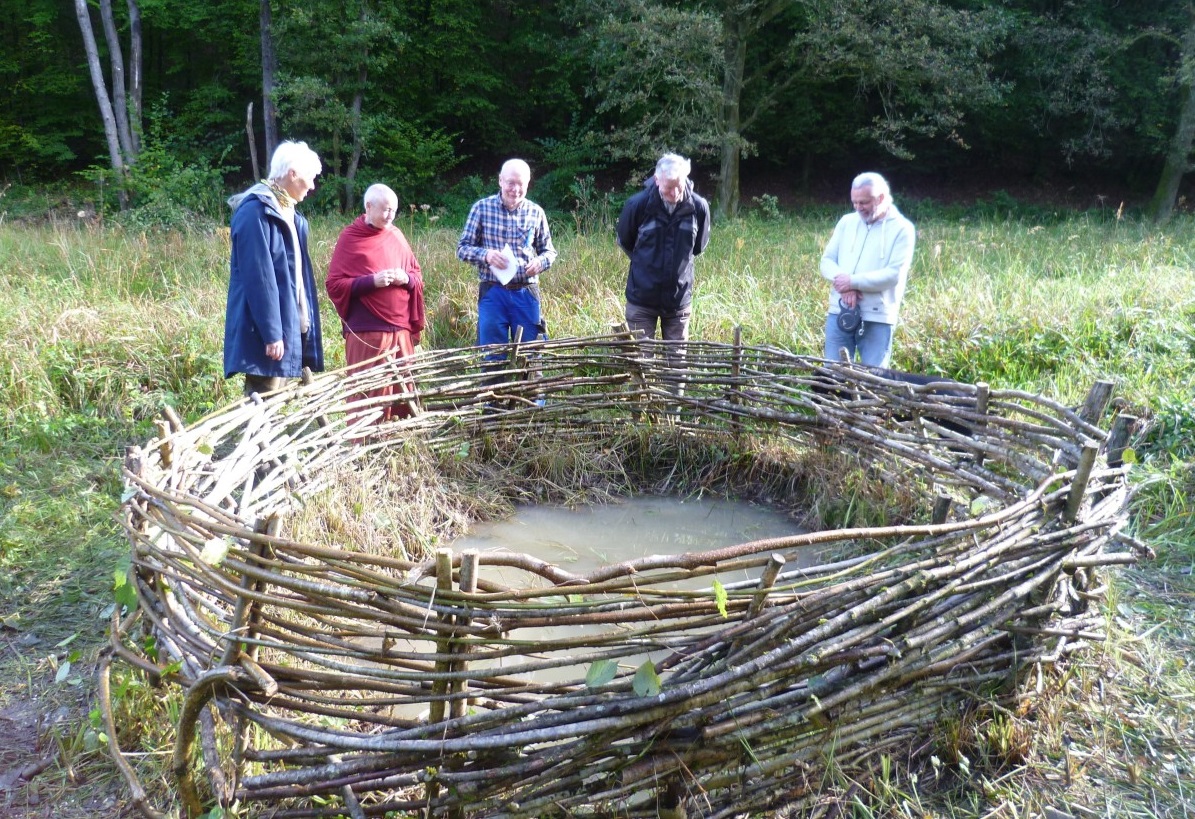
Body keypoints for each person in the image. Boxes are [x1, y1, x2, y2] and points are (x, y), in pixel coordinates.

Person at [224, 140, 325, 396]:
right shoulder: (255, 212)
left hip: (288, 326)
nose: (312, 186)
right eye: (310, 178)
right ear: (292, 174)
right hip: (267, 333)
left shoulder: (290, 214)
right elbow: (259, 277)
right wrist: (272, 332)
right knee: (262, 405)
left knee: (279, 404)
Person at [325, 183, 426, 421]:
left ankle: (401, 441)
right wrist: (371, 282)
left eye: (394, 211)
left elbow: (417, 275)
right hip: (367, 332)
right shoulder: (350, 238)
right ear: (368, 207)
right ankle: (365, 443)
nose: (391, 215)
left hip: (400, 329)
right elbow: (334, 284)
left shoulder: (397, 236)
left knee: (402, 391)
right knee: (367, 392)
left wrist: (407, 279)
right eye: (386, 210)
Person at [456, 159, 557, 355]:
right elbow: (462, 249)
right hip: (493, 292)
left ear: (528, 183)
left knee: (531, 356)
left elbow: (549, 251)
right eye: (511, 182)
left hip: (526, 293)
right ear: (500, 181)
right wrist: (486, 255)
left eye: (521, 184)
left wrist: (541, 262)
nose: (515, 189)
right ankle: (494, 386)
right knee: (493, 355)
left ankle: (529, 386)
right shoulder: (481, 209)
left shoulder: (536, 212)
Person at [820, 172, 915, 368]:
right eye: (854, 202)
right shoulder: (846, 222)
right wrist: (846, 285)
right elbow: (827, 261)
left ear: (880, 198)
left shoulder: (902, 229)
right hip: (840, 310)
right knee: (832, 376)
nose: (857, 207)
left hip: (878, 316)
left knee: (874, 380)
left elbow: (893, 274)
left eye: (863, 202)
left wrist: (853, 282)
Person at [616, 152, 711, 341]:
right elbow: (626, 242)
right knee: (643, 365)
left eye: (679, 186)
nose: (674, 193)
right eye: (669, 187)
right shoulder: (637, 205)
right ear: (656, 180)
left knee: (676, 366)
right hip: (641, 300)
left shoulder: (699, 207)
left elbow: (698, 247)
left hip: (678, 301)